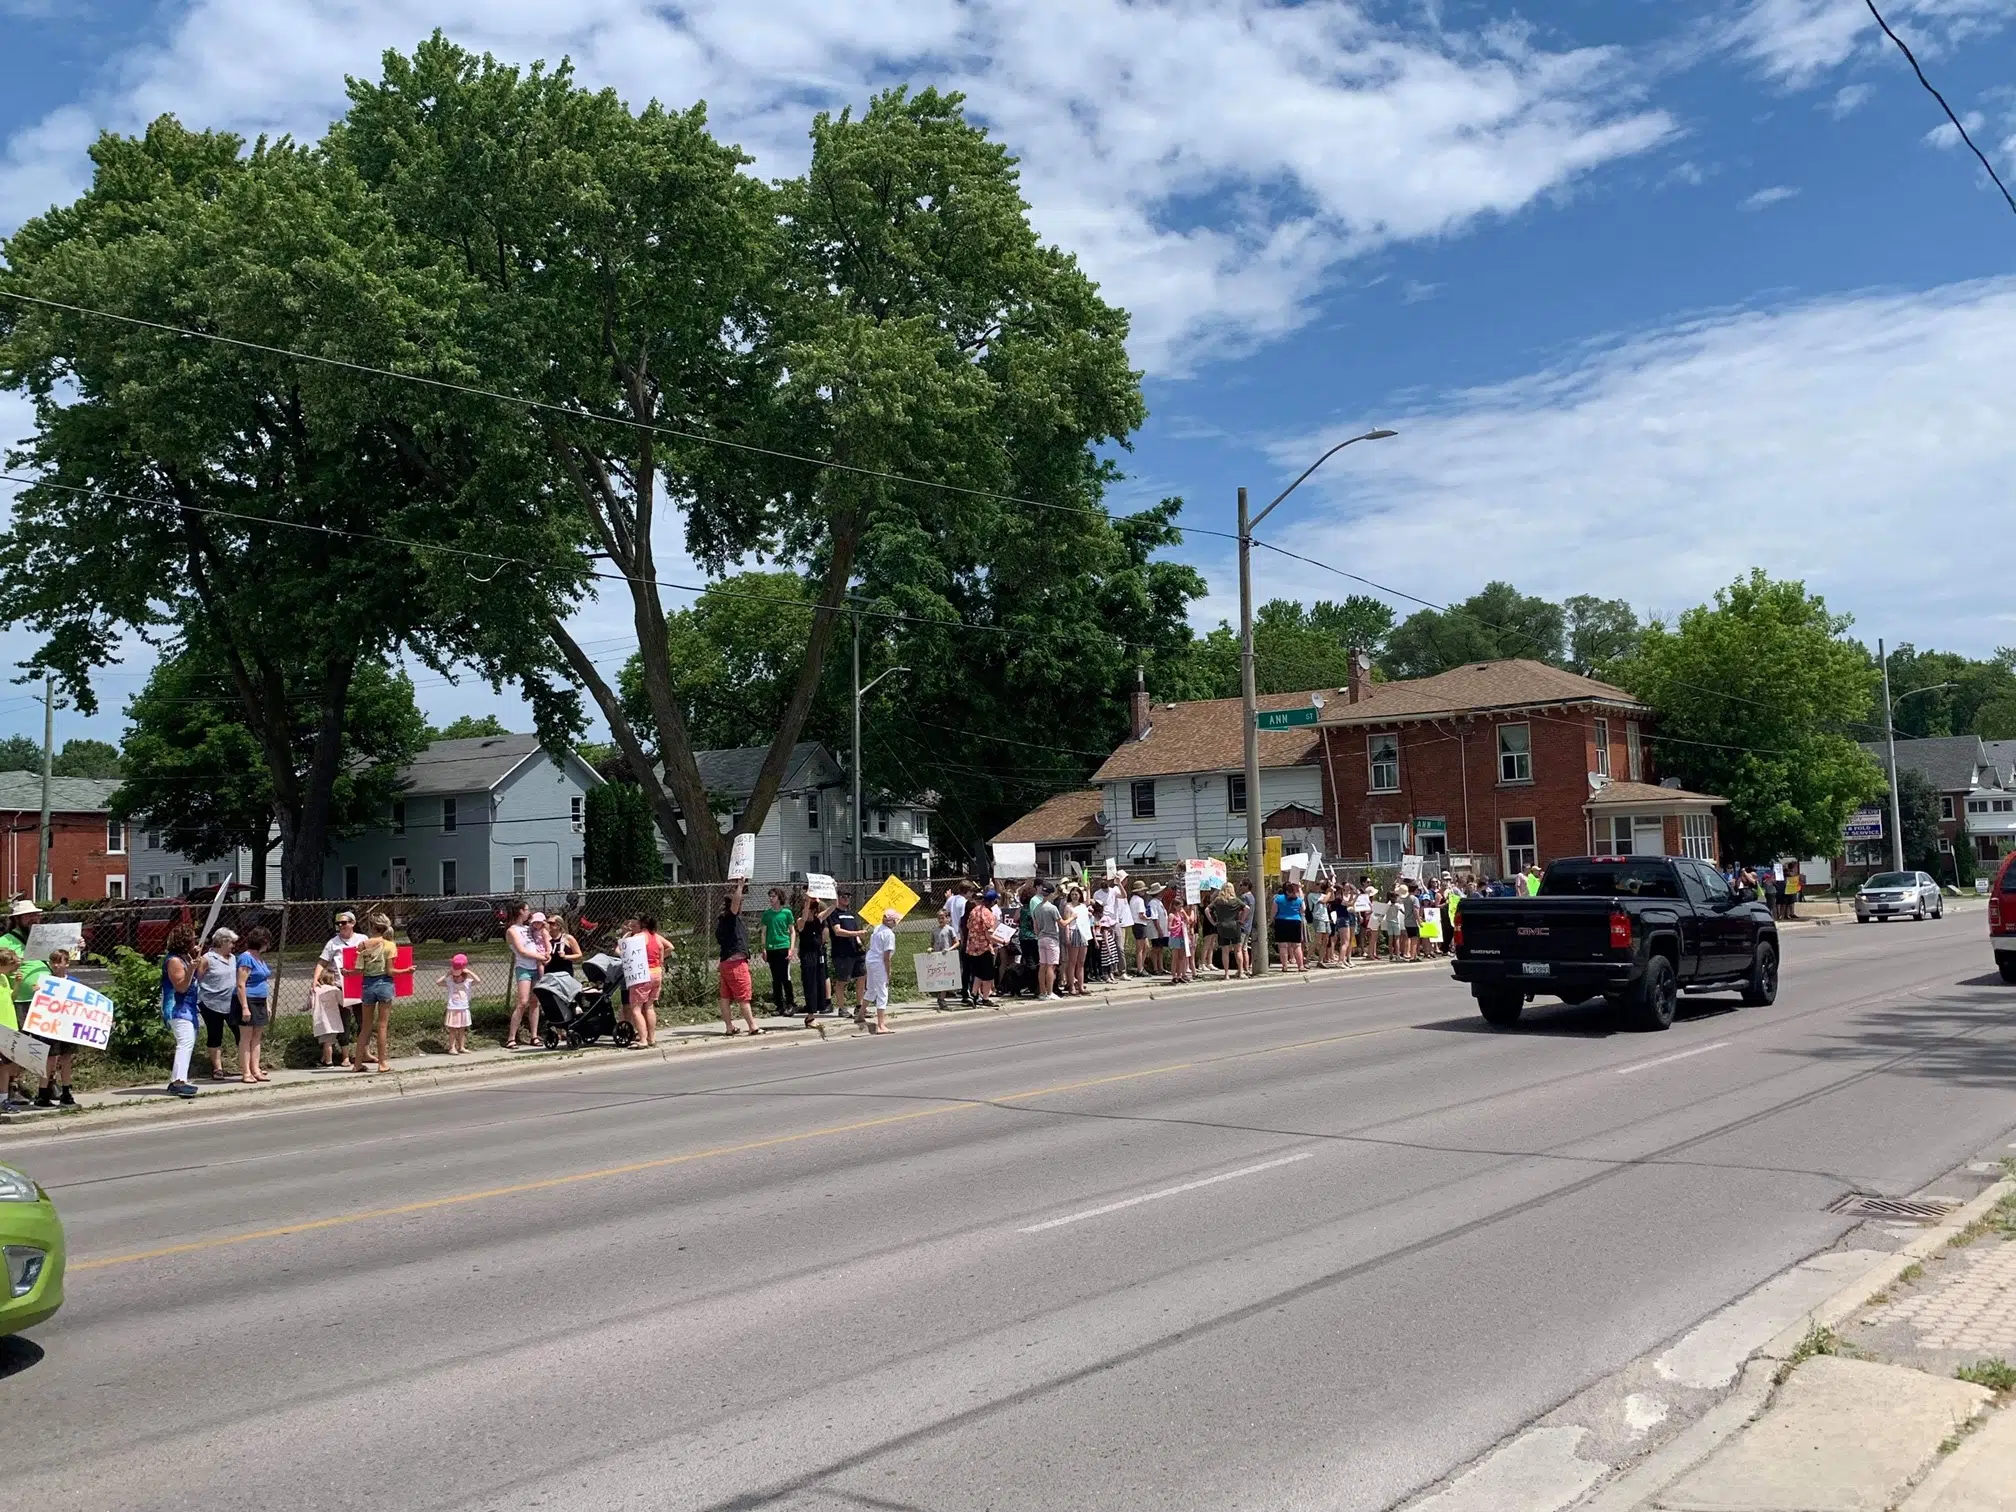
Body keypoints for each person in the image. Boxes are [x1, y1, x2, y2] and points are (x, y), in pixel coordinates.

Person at [28, 948, 80, 1106]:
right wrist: (37, 991)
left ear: (67, 963)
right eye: (53, 962)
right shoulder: (45, 981)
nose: (56, 965)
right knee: (49, 1059)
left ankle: (66, 1092)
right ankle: (42, 1093)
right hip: (50, 1026)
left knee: (66, 1059)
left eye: (59, 962)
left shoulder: (73, 983)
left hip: (67, 1027)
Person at [315, 909, 366, 1062]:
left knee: (363, 1020)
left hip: (359, 985)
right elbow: (322, 963)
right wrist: (315, 979)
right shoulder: (333, 943)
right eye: (338, 924)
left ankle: (364, 1052)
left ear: (353, 923)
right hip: (341, 987)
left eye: (344, 923)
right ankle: (345, 1055)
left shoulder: (362, 939)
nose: (341, 926)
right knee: (344, 1022)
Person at [160, 925, 202, 1098]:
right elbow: (181, 987)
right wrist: (191, 969)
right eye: (192, 938)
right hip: (177, 1007)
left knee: (188, 1042)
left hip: (188, 1007)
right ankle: (178, 1082)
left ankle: (178, 1080)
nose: (195, 940)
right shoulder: (174, 961)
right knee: (185, 1042)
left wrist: (194, 958)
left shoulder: (184, 957)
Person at [352, 914, 398, 1073]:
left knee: (365, 1026)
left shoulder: (362, 944)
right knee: (382, 1025)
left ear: (371, 928)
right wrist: (406, 971)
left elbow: (359, 968)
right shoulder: (390, 945)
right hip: (384, 984)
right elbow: (390, 971)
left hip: (367, 985)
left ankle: (357, 1063)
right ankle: (382, 1063)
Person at [716, 881, 762, 1037]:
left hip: (725, 963)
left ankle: (729, 1027)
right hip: (736, 964)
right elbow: (734, 905)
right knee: (744, 997)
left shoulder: (723, 920)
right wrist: (740, 886)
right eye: (740, 902)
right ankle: (752, 1026)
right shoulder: (730, 917)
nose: (741, 905)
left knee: (725, 997)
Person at [503, 903, 549, 1050]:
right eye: (527, 909)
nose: (529, 912)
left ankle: (534, 1035)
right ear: (520, 911)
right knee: (523, 1002)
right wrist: (540, 956)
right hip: (524, 968)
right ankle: (511, 1037)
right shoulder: (512, 931)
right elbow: (522, 951)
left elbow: (544, 934)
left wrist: (546, 953)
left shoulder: (528, 927)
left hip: (536, 967)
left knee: (535, 1001)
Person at [196, 927, 240, 1080]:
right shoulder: (207, 958)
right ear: (223, 942)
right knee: (215, 1034)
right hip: (211, 1003)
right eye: (231, 943)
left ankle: (246, 1065)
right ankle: (217, 1068)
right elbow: (197, 978)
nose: (233, 946)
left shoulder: (233, 958)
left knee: (240, 1032)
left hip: (232, 1003)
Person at [234, 929, 273, 1084]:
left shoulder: (260, 959)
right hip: (248, 1000)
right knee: (246, 1037)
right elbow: (240, 984)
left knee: (257, 1037)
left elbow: (263, 982)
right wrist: (244, 1006)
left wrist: (267, 1003)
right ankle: (246, 1072)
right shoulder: (246, 958)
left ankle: (256, 1069)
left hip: (260, 1000)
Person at [827, 889, 868, 1019]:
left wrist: (860, 941)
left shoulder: (850, 914)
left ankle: (859, 1007)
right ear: (837, 898)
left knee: (861, 978)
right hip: (842, 953)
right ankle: (841, 1007)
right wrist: (856, 934)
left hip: (856, 952)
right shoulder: (834, 913)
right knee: (843, 981)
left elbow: (855, 931)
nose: (846, 898)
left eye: (848, 896)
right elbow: (838, 931)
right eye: (843, 896)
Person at [797, 895, 833, 1028]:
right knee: (810, 985)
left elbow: (832, 907)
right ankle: (810, 1016)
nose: (813, 912)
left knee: (819, 984)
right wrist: (807, 902)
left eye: (814, 909)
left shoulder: (819, 919)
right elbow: (805, 917)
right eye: (811, 910)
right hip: (808, 956)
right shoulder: (801, 922)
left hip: (818, 954)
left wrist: (832, 891)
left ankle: (815, 1012)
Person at [761, 887, 798, 1015]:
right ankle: (779, 1005)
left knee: (785, 977)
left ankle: (790, 1003)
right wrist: (764, 948)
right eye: (770, 896)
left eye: (774, 896)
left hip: (783, 946)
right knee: (775, 978)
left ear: (779, 898)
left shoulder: (786, 913)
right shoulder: (767, 914)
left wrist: (791, 948)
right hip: (772, 948)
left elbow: (792, 931)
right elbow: (764, 932)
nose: (771, 899)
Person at [864, 908, 899, 1034]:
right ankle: (881, 1025)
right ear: (891, 921)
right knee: (882, 992)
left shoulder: (877, 928)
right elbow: (886, 957)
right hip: (879, 963)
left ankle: (860, 1015)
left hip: (870, 960)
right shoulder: (889, 934)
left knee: (871, 988)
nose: (896, 922)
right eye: (895, 920)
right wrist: (888, 972)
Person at [962, 888, 999, 1005]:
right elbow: (989, 935)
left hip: (973, 948)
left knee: (977, 974)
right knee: (988, 976)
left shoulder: (974, 910)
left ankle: (973, 995)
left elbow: (968, 926)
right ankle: (986, 998)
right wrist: (1002, 941)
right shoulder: (988, 914)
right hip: (984, 949)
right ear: (992, 902)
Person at [438, 954, 479, 1055]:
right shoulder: (450, 982)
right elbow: (438, 982)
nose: (455, 978)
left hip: (463, 1008)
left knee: (462, 1029)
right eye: (454, 976)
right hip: (453, 1008)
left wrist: (469, 972)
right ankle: (452, 1047)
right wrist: (448, 974)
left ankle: (461, 1046)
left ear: (464, 975)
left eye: (458, 976)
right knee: (453, 1029)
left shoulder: (467, 982)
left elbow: (478, 981)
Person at [1030, 882, 1063, 1001]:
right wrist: (1072, 917)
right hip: (1051, 938)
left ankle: (1042, 992)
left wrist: (1038, 935)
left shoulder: (1037, 908)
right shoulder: (1051, 908)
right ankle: (1050, 992)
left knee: (1042, 965)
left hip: (1041, 938)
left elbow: (1035, 925)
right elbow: (1062, 923)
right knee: (1051, 966)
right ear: (1051, 893)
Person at [0, 948, 22, 1112]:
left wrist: (17, 985)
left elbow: (11, 998)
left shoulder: (4, 978)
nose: (14, 968)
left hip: (9, 1027)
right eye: (11, 964)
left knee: (6, 1065)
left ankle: (4, 1098)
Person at [1207, 887, 1243, 980]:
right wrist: (1242, 920)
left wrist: (1213, 922)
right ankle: (1241, 971)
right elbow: (1247, 908)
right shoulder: (1236, 901)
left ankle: (1226, 974)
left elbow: (1207, 910)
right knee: (1238, 950)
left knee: (1225, 951)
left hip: (1222, 926)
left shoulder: (1218, 901)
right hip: (1234, 926)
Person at [1061, 886, 1090, 996]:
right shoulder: (1068, 907)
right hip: (1074, 932)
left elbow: (1088, 901)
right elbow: (1067, 923)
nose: (1074, 896)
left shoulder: (1082, 906)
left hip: (1083, 933)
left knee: (1081, 962)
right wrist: (1067, 936)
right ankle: (1071, 985)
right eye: (1072, 894)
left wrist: (1087, 889)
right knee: (1072, 962)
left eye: (1076, 894)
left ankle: (1081, 986)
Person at [1272, 880, 1306, 972]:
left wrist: (1272, 920)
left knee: (1283, 946)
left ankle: (1284, 966)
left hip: (1281, 922)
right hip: (1295, 921)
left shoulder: (1278, 898)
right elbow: (1303, 910)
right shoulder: (1299, 899)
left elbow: (1274, 911)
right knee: (1297, 946)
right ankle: (1301, 966)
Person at [929, 907, 959, 1009]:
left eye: (942, 917)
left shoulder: (950, 929)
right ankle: (941, 997)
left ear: (947, 918)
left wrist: (949, 949)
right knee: (939, 977)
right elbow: (932, 944)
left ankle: (942, 998)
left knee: (946, 978)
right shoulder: (935, 930)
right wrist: (930, 949)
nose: (941, 920)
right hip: (938, 957)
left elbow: (957, 942)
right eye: (939, 918)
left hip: (947, 956)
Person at [1166, 897, 1192, 984]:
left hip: (1182, 936)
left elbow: (1188, 920)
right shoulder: (1171, 915)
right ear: (1174, 906)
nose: (1181, 908)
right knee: (1175, 957)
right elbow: (1169, 928)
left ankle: (1180, 974)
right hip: (1175, 937)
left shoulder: (1180, 914)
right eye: (1179, 906)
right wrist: (1178, 926)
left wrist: (1184, 913)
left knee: (1181, 957)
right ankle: (1174, 976)